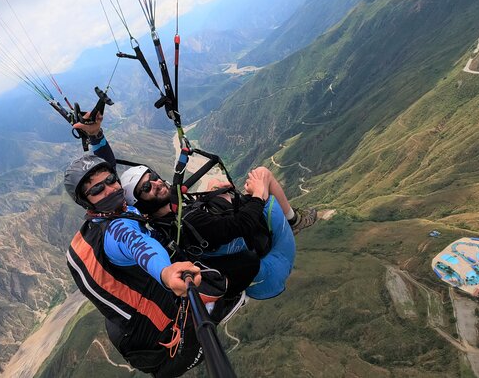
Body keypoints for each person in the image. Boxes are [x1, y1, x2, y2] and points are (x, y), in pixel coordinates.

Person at [74, 114, 318, 300]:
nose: (157, 184)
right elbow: (244, 223)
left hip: (237, 254)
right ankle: (294, 221)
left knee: (213, 184)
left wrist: (96, 137)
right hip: (268, 263)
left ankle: (263, 206)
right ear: (142, 204)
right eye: (146, 188)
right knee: (262, 175)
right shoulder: (191, 222)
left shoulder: (165, 220)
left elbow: (109, 181)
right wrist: (259, 195)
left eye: (154, 177)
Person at [64, 154, 212, 377]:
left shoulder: (109, 213)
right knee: (221, 286)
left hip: (127, 330)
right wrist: (165, 271)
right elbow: (138, 246)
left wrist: (96, 136)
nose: (110, 189)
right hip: (162, 345)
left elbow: (108, 164)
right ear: (86, 201)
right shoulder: (116, 230)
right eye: (96, 190)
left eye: (111, 180)